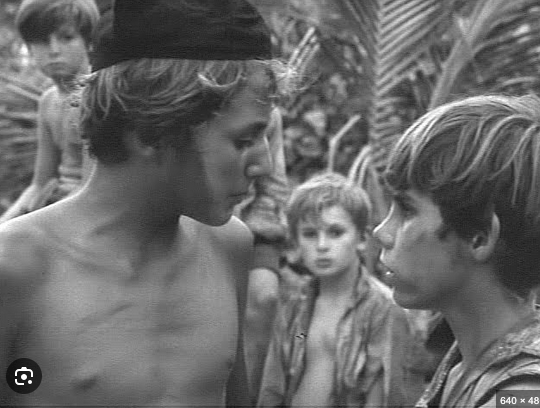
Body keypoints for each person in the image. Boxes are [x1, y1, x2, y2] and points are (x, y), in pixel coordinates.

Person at [0, 0, 294, 406]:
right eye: (243, 140)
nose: (263, 164)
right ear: (151, 130)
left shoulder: (228, 246)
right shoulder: (18, 269)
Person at [373, 94, 540, 407]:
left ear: (478, 237)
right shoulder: (465, 362)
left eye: (407, 210)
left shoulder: (523, 393)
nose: (381, 232)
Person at [257, 172, 423, 407]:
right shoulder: (294, 307)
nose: (322, 246)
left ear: (362, 238)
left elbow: (386, 394)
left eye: (335, 232)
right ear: (296, 241)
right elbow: (272, 387)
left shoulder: (384, 311)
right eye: (310, 234)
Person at [0, 0, 100, 223]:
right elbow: (40, 184)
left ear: (89, 43)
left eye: (66, 38)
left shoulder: (96, 97)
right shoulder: (48, 101)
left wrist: (26, 228)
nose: (54, 50)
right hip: (54, 206)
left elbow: (90, 191)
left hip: (88, 213)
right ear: (29, 48)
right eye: (43, 41)